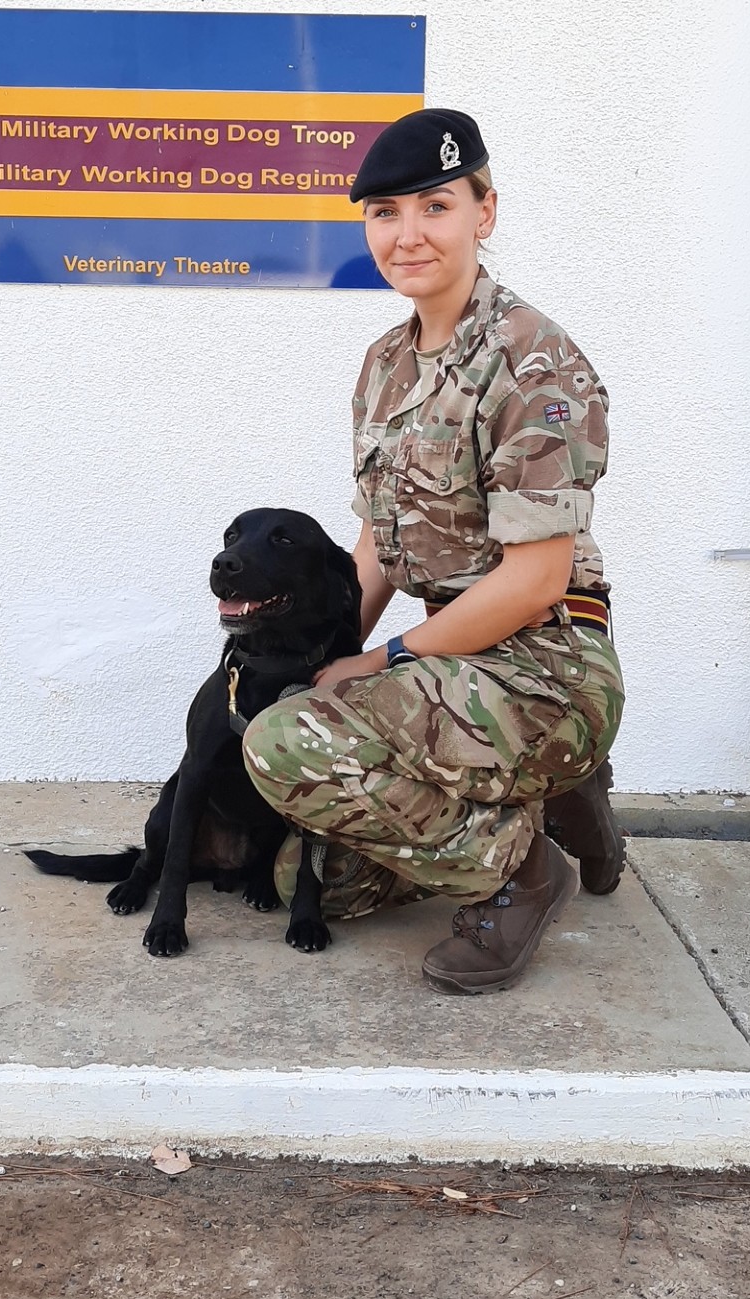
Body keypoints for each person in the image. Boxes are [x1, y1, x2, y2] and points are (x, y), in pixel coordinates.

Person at [242, 108, 625, 994]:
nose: (407, 234)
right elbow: (381, 536)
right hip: (449, 667)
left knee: (284, 748)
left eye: (435, 206)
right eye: (384, 213)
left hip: (546, 666)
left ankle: (527, 869)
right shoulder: (386, 363)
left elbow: (533, 584)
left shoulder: (534, 361)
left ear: (484, 213)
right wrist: (331, 653)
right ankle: (552, 800)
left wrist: (378, 663)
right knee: (305, 885)